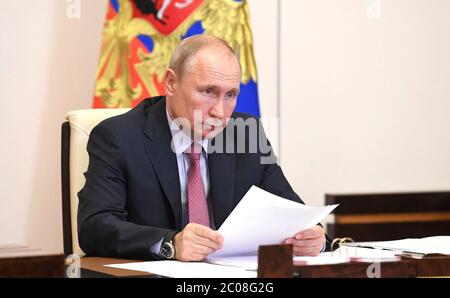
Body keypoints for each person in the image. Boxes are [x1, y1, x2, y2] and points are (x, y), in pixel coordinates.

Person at [78, 35, 328, 262]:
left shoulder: (245, 133)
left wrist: (315, 236)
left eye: (230, 95)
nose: (219, 112)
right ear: (171, 83)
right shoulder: (119, 137)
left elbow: (293, 212)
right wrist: (171, 243)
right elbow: (95, 227)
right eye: (208, 91)